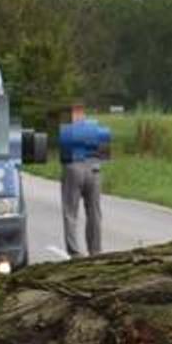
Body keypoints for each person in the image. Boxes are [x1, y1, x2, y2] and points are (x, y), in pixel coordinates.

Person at [57, 102, 111, 257]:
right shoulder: (97, 129)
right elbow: (105, 155)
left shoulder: (66, 130)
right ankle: (95, 250)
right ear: (84, 114)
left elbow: (63, 156)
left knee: (70, 212)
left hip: (73, 169)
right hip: (94, 170)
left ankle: (74, 252)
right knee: (94, 212)